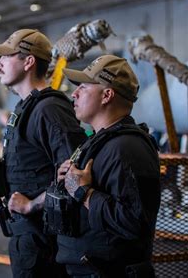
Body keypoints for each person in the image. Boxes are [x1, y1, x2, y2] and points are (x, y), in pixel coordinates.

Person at [0, 29, 86, 277]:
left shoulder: (49, 109)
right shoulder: (24, 108)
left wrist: (32, 205)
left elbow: (76, 171)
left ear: (28, 62)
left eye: (7, 57)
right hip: (29, 239)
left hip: (45, 242)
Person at [56, 55, 160, 277]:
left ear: (107, 95)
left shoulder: (127, 147)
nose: (74, 94)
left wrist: (84, 194)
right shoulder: (99, 142)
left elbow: (134, 223)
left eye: (83, 87)